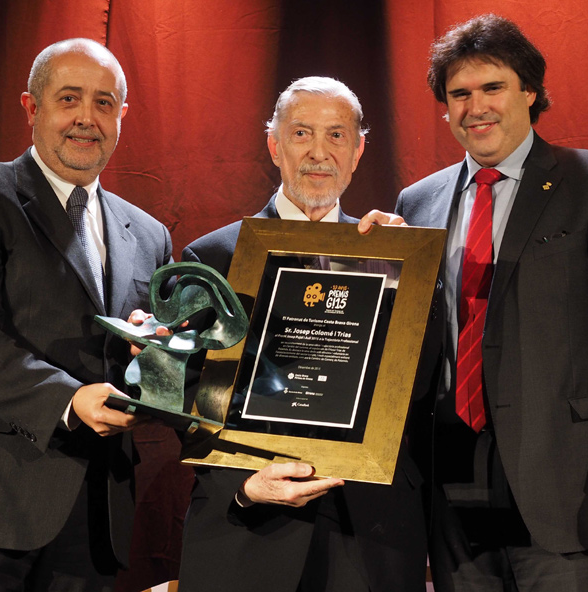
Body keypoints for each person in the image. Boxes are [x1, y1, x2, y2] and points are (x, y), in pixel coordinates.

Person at [360, 14, 588, 591]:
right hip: (452, 490)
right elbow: (413, 345)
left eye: (492, 87)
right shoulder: (417, 201)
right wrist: (379, 270)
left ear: (530, 91)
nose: (475, 106)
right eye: (459, 94)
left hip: (570, 489)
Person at [0, 38, 173, 591]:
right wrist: (66, 397)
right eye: (69, 99)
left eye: (104, 103)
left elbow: (149, 361)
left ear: (123, 116)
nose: (87, 118)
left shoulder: (150, 233)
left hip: (92, 518)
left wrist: (154, 357)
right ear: (31, 108)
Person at [175, 77, 427, 592]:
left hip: (371, 535)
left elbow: (421, 386)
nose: (318, 152)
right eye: (301, 133)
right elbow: (182, 391)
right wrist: (244, 484)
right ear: (274, 145)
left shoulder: (392, 255)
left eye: (336, 136)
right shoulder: (214, 258)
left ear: (358, 151)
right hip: (246, 528)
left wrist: (416, 279)